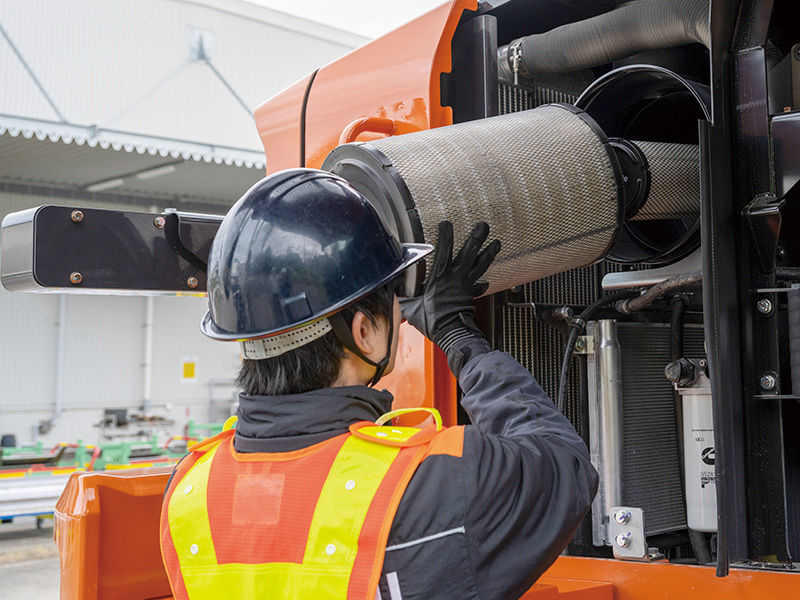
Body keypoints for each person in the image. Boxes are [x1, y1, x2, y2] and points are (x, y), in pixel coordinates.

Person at [159, 168, 598, 600]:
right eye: (394, 299)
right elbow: (567, 467)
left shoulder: (187, 490)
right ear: (364, 332)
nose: (404, 315)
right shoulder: (436, 481)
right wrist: (458, 336)